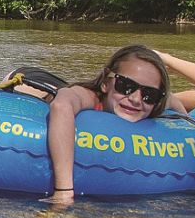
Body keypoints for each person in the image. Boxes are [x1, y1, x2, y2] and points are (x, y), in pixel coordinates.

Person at [45, 44, 170, 205]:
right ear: (105, 82)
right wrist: (63, 193)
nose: (136, 99)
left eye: (149, 94)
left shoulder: (156, 104)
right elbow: (61, 106)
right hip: (43, 83)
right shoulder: (89, 97)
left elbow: (175, 101)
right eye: (126, 86)